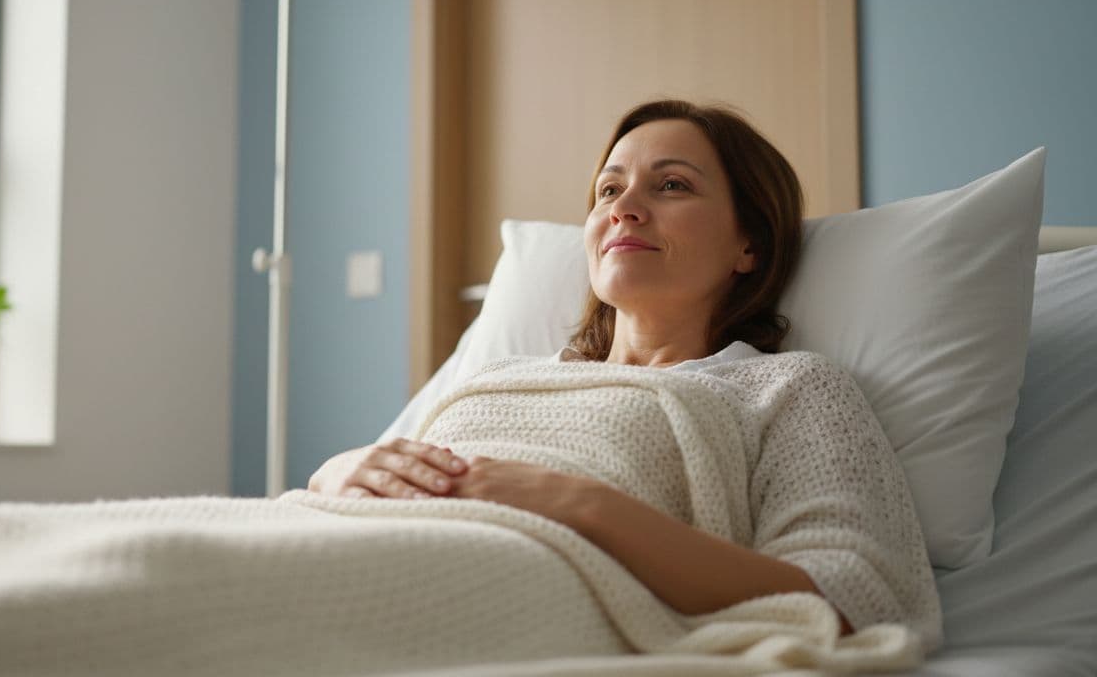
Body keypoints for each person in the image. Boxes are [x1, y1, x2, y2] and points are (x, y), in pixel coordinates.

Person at [308, 99, 941, 647]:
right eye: (609, 190)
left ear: (748, 244)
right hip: (340, 545)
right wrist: (333, 472)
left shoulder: (787, 388)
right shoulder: (501, 377)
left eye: (671, 186)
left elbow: (852, 600)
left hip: (483, 594)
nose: (625, 208)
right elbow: (387, 476)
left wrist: (574, 502)